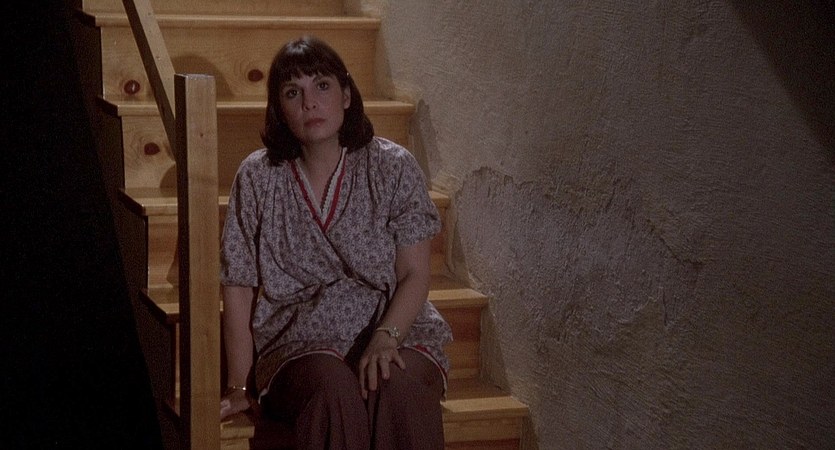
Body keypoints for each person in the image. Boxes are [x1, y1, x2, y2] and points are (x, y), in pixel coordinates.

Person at [219, 36, 452, 449]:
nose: (310, 103)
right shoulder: (258, 177)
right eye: (293, 92)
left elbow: (415, 273)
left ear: (346, 95)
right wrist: (239, 384)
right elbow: (237, 284)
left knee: (397, 386)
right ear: (279, 109)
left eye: (322, 86)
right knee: (333, 391)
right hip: (300, 343)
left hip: (393, 325)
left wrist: (386, 336)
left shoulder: (392, 166)